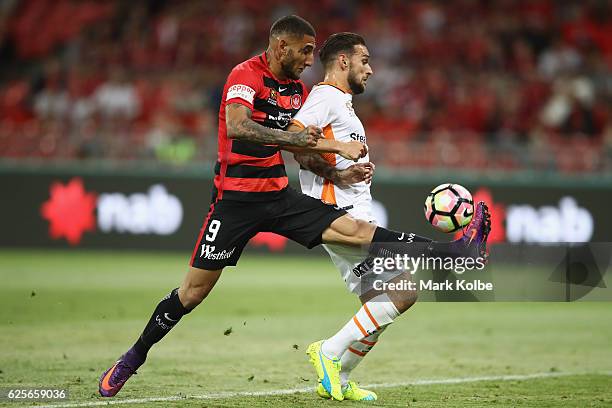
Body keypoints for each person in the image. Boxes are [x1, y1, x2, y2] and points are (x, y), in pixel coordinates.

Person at [99, 15, 491, 399]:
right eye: (304, 51)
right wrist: (335, 147)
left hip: (278, 195)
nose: (309, 59)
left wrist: (336, 174)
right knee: (192, 293)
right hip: (234, 201)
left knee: (355, 232)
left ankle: (451, 253)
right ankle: (132, 358)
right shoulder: (245, 76)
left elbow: (302, 150)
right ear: (280, 45)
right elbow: (239, 128)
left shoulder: (298, 93)